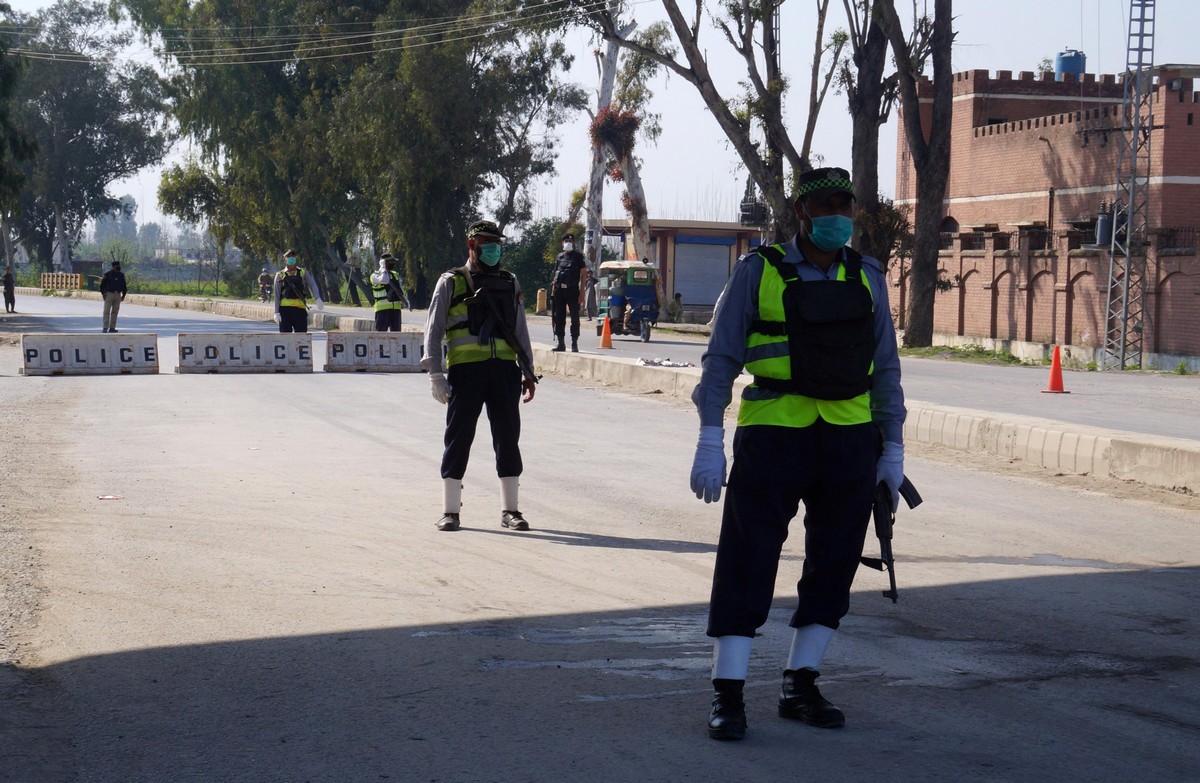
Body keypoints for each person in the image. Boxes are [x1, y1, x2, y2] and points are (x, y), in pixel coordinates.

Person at [689, 167, 906, 741]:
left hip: (849, 436)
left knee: (835, 562)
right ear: (801, 212)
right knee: (748, 558)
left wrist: (894, 446)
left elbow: (885, 367)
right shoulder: (757, 271)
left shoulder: (868, 277)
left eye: (847, 204)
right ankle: (728, 693)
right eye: (827, 204)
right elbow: (721, 358)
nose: (839, 215)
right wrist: (710, 436)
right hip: (773, 432)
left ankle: (800, 683)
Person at [422, 220, 537, 533]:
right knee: (458, 438)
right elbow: (433, 329)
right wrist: (435, 373)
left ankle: (510, 511)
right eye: (486, 243)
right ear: (471, 246)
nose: (493, 249)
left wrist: (527, 371)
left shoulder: (509, 281)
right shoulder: (451, 281)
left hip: (504, 371)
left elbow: (520, 328)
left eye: (496, 243)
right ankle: (450, 511)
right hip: (466, 370)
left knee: (507, 439)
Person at [549, 231, 588, 351]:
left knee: (574, 318)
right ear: (562, 243)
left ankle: (574, 343)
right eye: (566, 241)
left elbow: (583, 274)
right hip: (559, 291)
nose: (568, 243)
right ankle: (561, 343)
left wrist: (582, 293)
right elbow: (555, 276)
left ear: (573, 243)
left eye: (570, 241)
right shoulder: (559, 257)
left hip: (572, 291)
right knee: (559, 317)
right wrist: (552, 292)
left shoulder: (578, 256)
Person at [273, 249, 323, 333]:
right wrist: (276, 312)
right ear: (284, 260)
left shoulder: (303, 272)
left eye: (292, 256)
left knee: (301, 337)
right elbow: (277, 295)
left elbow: (313, 284)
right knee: (285, 338)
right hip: (285, 311)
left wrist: (317, 298)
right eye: (288, 257)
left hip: (300, 310)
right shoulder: (280, 275)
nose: (291, 258)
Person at [369, 253, 407, 331]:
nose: (393, 264)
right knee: (381, 336)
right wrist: (383, 267)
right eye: (391, 262)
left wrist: (406, 301)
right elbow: (385, 280)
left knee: (396, 337)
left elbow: (400, 290)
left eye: (393, 262)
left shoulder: (395, 274)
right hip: (382, 310)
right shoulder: (375, 275)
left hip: (396, 310)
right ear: (383, 262)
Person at [99, 260, 127, 333]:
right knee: (106, 311)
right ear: (113, 267)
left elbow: (124, 286)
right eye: (116, 266)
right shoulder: (108, 274)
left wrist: (123, 295)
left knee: (115, 312)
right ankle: (105, 327)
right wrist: (103, 294)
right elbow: (102, 285)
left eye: (119, 266)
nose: (118, 268)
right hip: (109, 294)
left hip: (118, 294)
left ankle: (112, 328)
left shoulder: (121, 275)